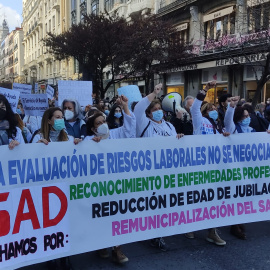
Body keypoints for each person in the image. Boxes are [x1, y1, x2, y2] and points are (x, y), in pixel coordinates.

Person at [84, 95, 135, 264]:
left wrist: (126, 106)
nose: (103, 124)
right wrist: (86, 144)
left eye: (103, 121)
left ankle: (117, 249)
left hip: (116, 185)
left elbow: (130, 129)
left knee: (116, 215)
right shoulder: (87, 141)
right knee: (100, 216)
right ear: (92, 129)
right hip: (98, 187)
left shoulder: (116, 134)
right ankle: (100, 243)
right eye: (98, 123)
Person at [134, 83, 183, 251]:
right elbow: (138, 109)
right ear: (148, 113)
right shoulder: (144, 124)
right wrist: (153, 93)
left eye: (159, 108)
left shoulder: (170, 126)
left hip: (167, 170)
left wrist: (180, 138)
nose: (157, 111)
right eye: (153, 109)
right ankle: (151, 233)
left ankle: (158, 232)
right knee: (150, 202)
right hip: (149, 170)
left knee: (162, 203)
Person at [189, 81, 229, 245]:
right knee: (196, 197)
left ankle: (212, 231)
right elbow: (194, 109)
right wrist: (205, 90)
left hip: (215, 168)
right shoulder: (199, 122)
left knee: (214, 199)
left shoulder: (219, 127)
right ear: (204, 112)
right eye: (210, 109)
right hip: (199, 167)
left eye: (215, 110)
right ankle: (189, 225)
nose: (214, 111)